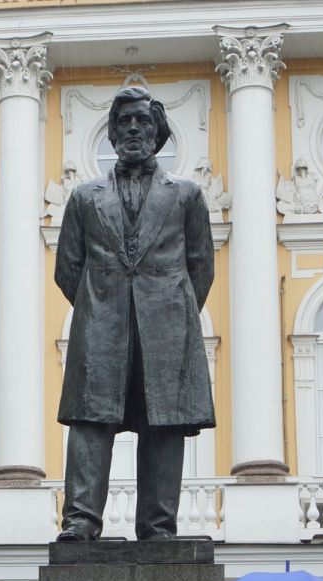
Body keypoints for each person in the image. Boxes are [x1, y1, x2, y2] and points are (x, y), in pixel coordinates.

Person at [53, 86, 217, 541]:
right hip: (101, 323)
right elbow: (67, 268)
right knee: (90, 421)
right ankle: (81, 520)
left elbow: (201, 266)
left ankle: (158, 526)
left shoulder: (185, 195)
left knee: (164, 422)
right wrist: (99, 305)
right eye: (123, 121)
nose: (132, 129)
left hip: (167, 326)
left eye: (142, 121)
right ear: (111, 132)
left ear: (158, 133)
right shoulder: (85, 197)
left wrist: (171, 308)